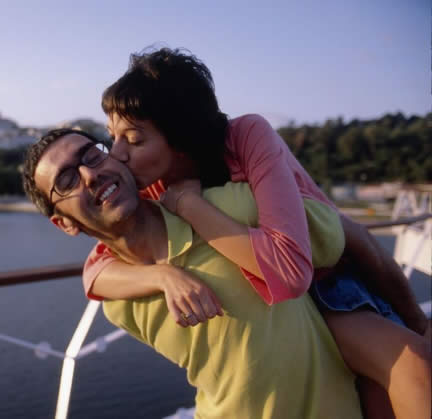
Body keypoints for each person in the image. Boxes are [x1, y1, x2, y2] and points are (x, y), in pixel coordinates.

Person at [83, 47, 430, 418]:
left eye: (133, 140)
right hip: (276, 317)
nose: (117, 154)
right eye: (112, 137)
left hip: (330, 284)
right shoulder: (146, 182)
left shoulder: (245, 137)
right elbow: (95, 270)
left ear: (180, 138)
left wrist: (190, 207)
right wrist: (162, 275)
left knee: (414, 368)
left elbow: (310, 259)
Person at [22, 129, 367, 418]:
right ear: (63, 223)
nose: (89, 174)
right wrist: (162, 275)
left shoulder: (224, 208)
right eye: (67, 180)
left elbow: (332, 236)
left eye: (92, 155)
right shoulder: (119, 304)